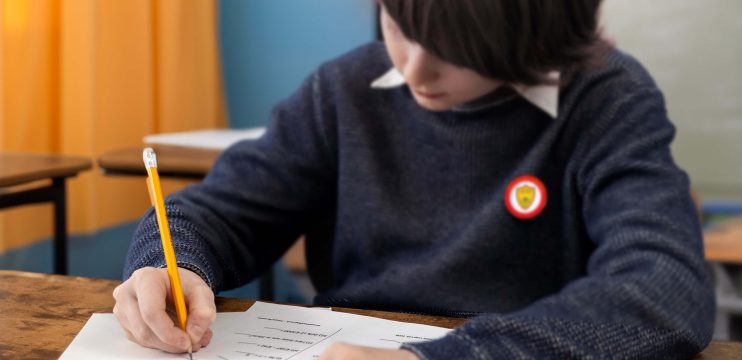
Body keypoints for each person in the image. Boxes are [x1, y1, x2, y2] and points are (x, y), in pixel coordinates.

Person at [113, 0, 715, 358]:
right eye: (400, 23)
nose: (414, 69)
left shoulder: (606, 97)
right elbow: (217, 212)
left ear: (537, 29)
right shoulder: (343, 89)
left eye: (455, 47)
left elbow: (662, 293)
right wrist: (174, 265)